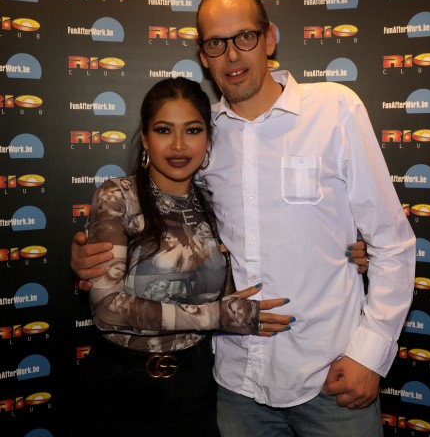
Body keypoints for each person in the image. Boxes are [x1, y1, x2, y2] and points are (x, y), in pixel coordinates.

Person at [69, 0, 411, 437]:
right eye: (216, 42)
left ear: (269, 39)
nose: (231, 54)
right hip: (235, 387)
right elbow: (162, 220)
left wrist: (370, 354)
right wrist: (90, 254)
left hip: (331, 377)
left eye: (244, 37)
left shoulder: (334, 109)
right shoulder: (204, 134)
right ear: (203, 55)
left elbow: (392, 243)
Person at [69, 77, 295, 437]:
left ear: (208, 139)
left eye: (192, 130)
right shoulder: (118, 196)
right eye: (163, 130)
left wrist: (353, 253)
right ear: (146, 139)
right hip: (119, 388)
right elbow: (108, 307)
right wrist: (215, 316)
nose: (178, 144)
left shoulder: (216, 203)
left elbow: (254, 265)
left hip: (197, 385)